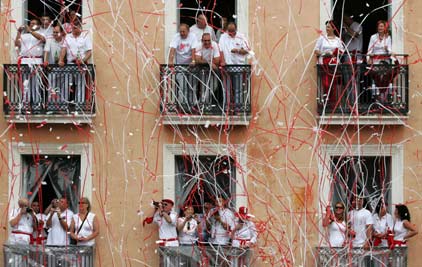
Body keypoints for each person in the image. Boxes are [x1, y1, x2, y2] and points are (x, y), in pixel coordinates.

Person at [59, 19, 92, 108]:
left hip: (81, 64)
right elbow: (63, 49)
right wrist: (61, 60)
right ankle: (63, 104)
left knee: (80, 84)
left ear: (80, 28)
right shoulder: (68, 37)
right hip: (70, 63)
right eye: (73, 28)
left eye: (76, 28)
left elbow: (89, 51)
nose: (74, 30)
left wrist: (82, 60)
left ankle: (79, 105)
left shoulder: (85, 36)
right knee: (66, 84)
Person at [218, 22, 250, 113]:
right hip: (227, 66)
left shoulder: (242, 37)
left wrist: (238, 50)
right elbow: (220, 50)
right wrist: (222, 61)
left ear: (236, 29)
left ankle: (237, 109)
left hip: (238, 66)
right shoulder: (223, 37)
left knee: (238, 89)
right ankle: (227, 108)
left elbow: (247, 50)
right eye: (229, 31)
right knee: (226, 88)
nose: (231, 33)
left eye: (233, 31)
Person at [168, 23, 198, 112]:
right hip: (180, 66)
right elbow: (172, 49)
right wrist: (170, 61)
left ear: (188, 31)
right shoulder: (176, 37)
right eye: (180, 31)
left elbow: (193, 49)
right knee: (182, 86)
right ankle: (183, 105)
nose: (182, 33)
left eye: (183, 31)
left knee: (192, 87)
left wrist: (193, 61)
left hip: (190, 66)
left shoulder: (192, 37)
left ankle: (191, 105)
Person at [314, 20, 344, 108]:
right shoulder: (322, 38)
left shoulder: (338, 40)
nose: (327, 28)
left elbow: (342, 51)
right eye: (326, 26)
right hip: (324, 63)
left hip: (334, 64)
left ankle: (333, 103)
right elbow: (316, 51)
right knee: (326, 83)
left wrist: (334, 53)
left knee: (333, 84)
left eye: (328, 27)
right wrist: (324, 53)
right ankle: (326, 102)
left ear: (333, 28)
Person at [195, 33, 221, 107]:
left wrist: (204, 60)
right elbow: (197, 60)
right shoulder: (198, 45)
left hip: (213, 70)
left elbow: (217, 60)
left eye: (208, 40)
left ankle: (201, 103)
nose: (207, 42)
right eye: (205, 40)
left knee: (214, 86)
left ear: (211, 40)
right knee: (204, 87)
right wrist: (209, 62)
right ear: (202, 40)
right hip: (202, 69)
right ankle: (205, 105)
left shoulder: (214, 45)